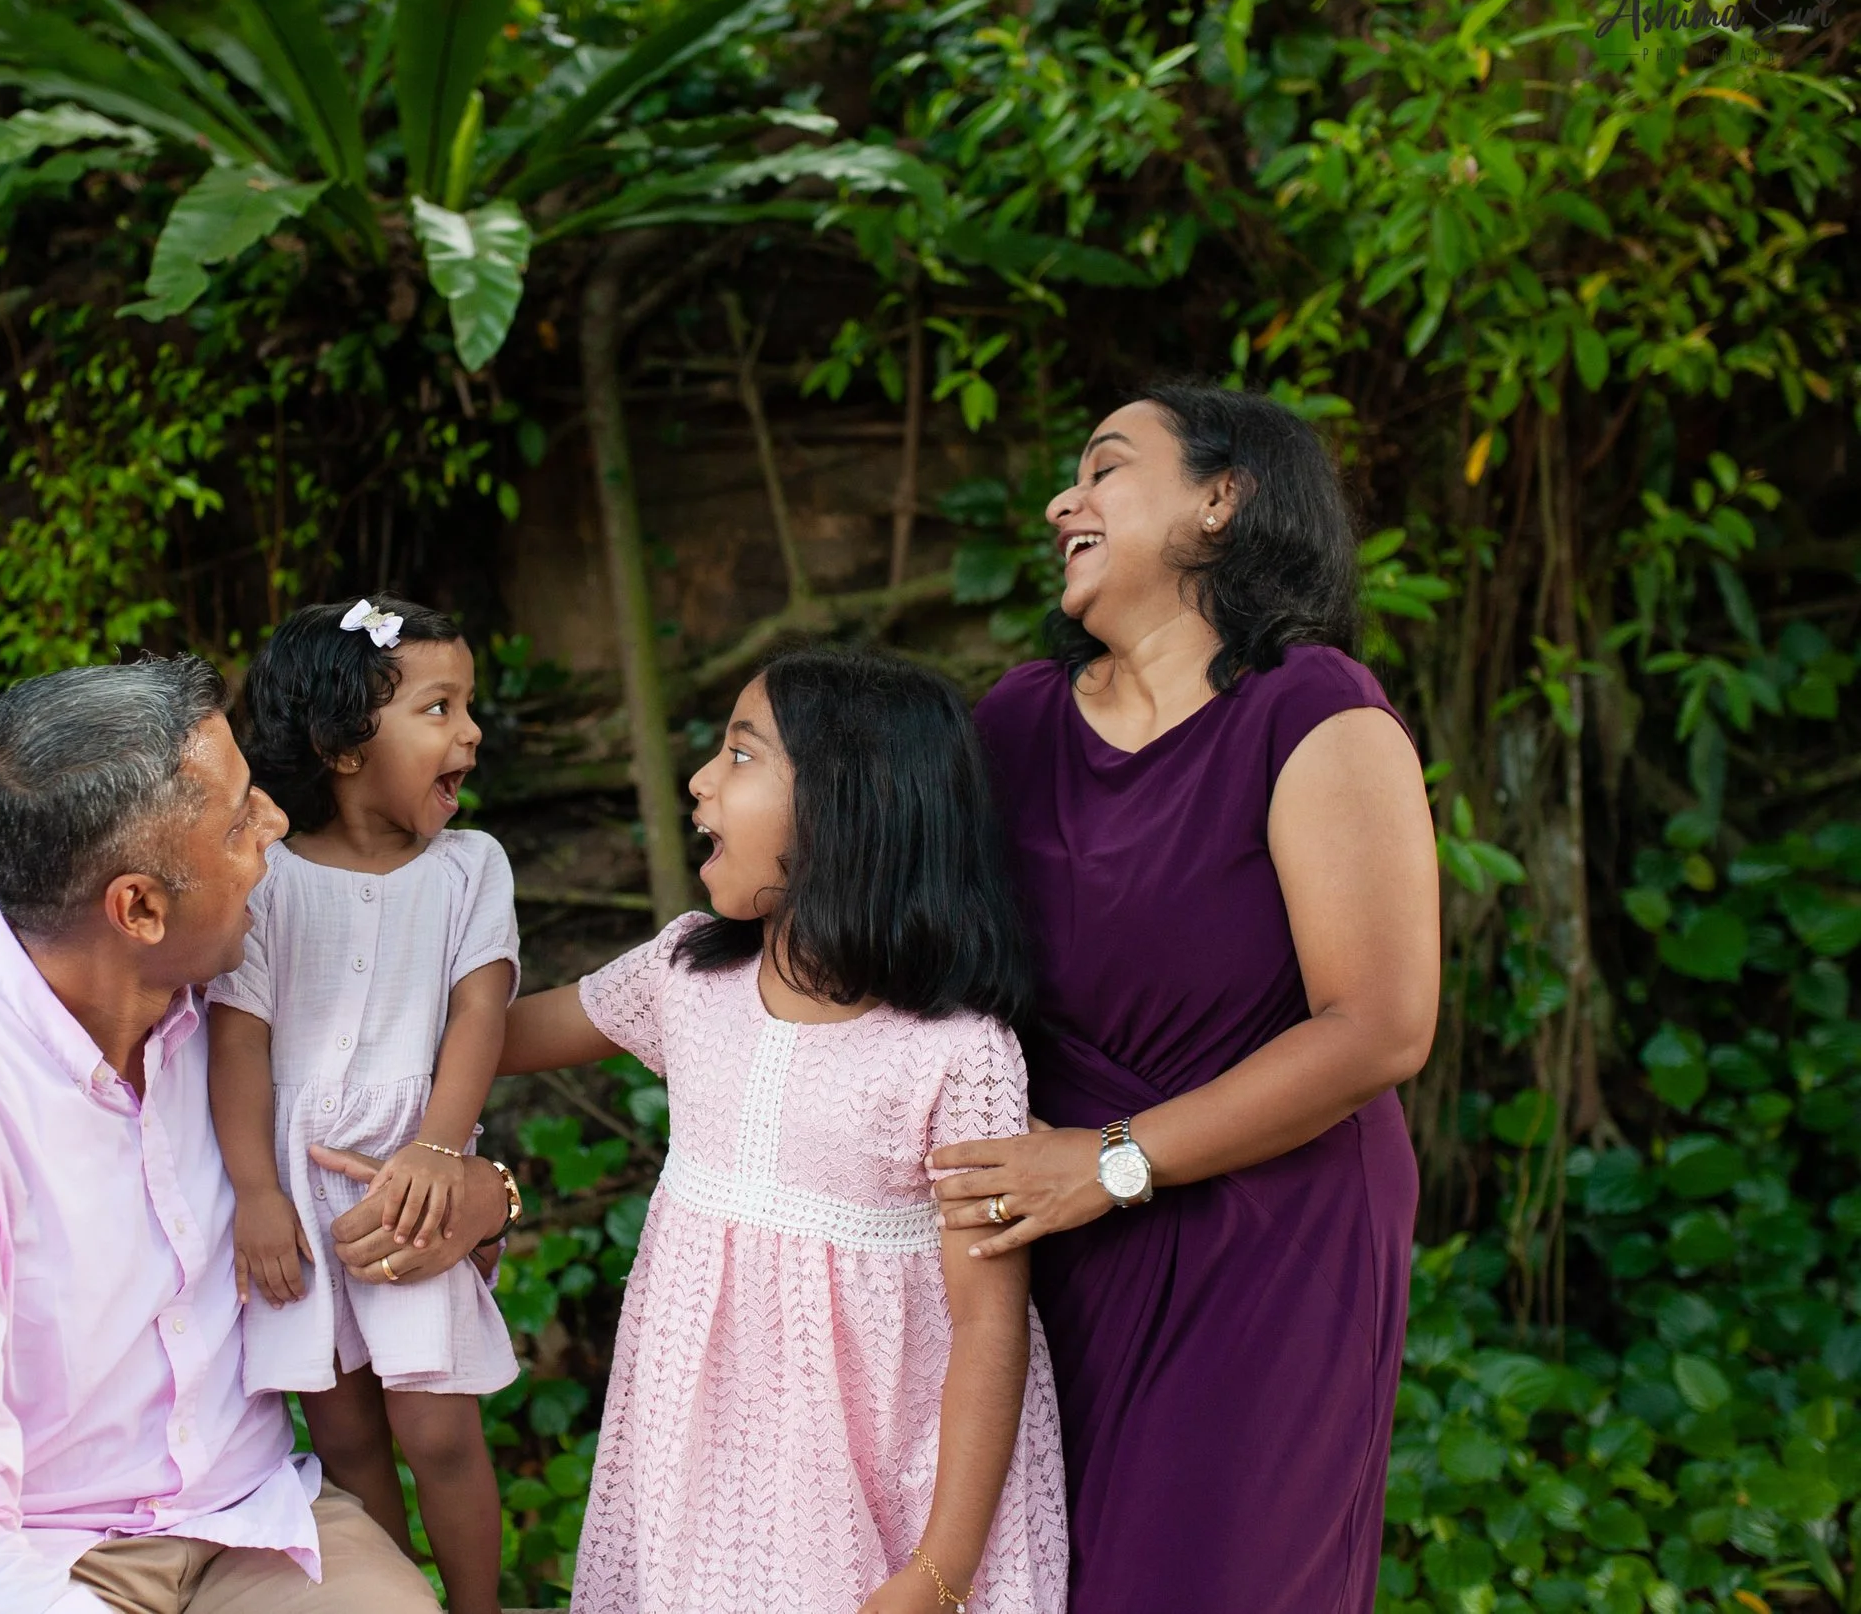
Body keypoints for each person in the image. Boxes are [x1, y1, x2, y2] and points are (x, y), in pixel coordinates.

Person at [0, 655, 512, 1614]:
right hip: (27, 1559)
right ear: (140, 909)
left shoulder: (238, 1016)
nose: (278, 824)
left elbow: (430, 1095)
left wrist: (490, 1195)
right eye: (240, 822)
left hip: (248, 1521)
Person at [934, 384, 1440, 1612]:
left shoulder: (1313, 708)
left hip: (1268, 1240)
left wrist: (1110, 1161)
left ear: (1221, 498)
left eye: (1105, 468)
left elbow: (1379, 1025)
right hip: (1053, 1241)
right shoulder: (1016, 721)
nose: (1063, 502)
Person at [499, 647, 1071, 1614]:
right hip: (699, 1475)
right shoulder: (685, 976)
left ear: (849, 807)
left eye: (740, 754)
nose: (699, 779)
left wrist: (940, 1571)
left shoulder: (957, 1053)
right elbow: (492, 1037)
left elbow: (987, 1323)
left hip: (890, 1489)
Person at [207, 595, 517, 1614]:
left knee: (438, 1427)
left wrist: (439, 1148)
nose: (470, 731)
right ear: (343, 747)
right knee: (343, 1434)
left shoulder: (470, 868)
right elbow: (238, 1039)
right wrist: (256, 1191)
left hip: (411, 1183)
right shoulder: (266, 880)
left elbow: (480, 1010)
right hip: (297, 1196)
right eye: (438, 707)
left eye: (467, 705)